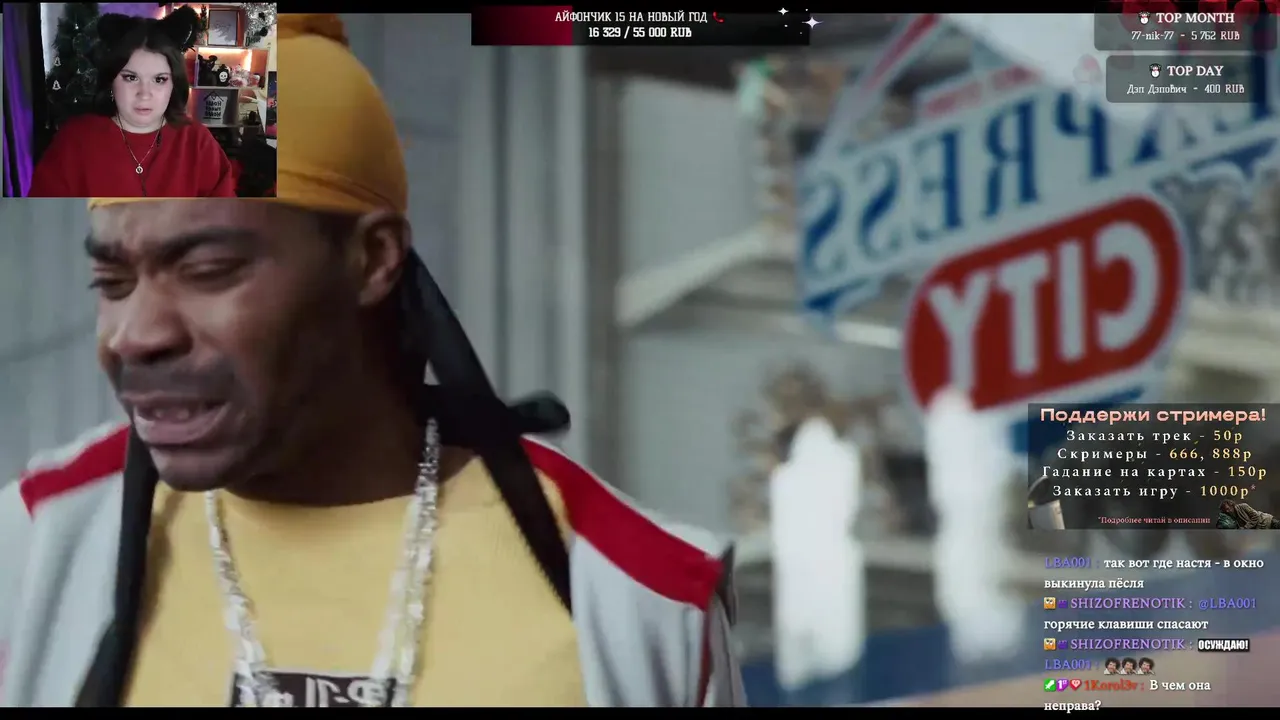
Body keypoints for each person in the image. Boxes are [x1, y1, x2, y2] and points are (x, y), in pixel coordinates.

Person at [0, 15, 745, 708]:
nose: (135, 334)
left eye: (207, 269)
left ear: (372, 259)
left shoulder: (639, 592)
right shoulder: (32, 552)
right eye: (112, 281)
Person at [27, 7, 235, 199]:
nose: (144, 94)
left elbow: (226, 220)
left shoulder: (198, 142)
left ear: (174, 84)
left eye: (159, 80)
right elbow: (42, 219)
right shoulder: (73, 141)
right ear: (111, 80)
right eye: (131, 78)